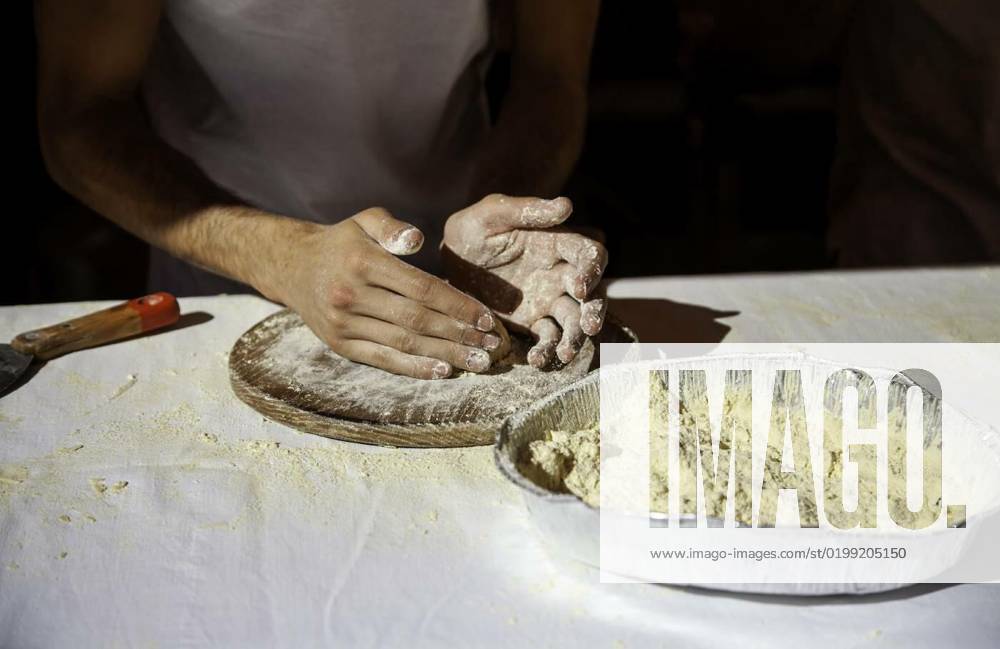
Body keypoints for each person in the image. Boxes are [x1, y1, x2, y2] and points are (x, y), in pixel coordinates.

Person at [35, 0, 607, 380]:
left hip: (469, 287)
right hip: (225, 291)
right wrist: (285, 257)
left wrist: (501, 208)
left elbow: (550, 76)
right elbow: (80, 117)